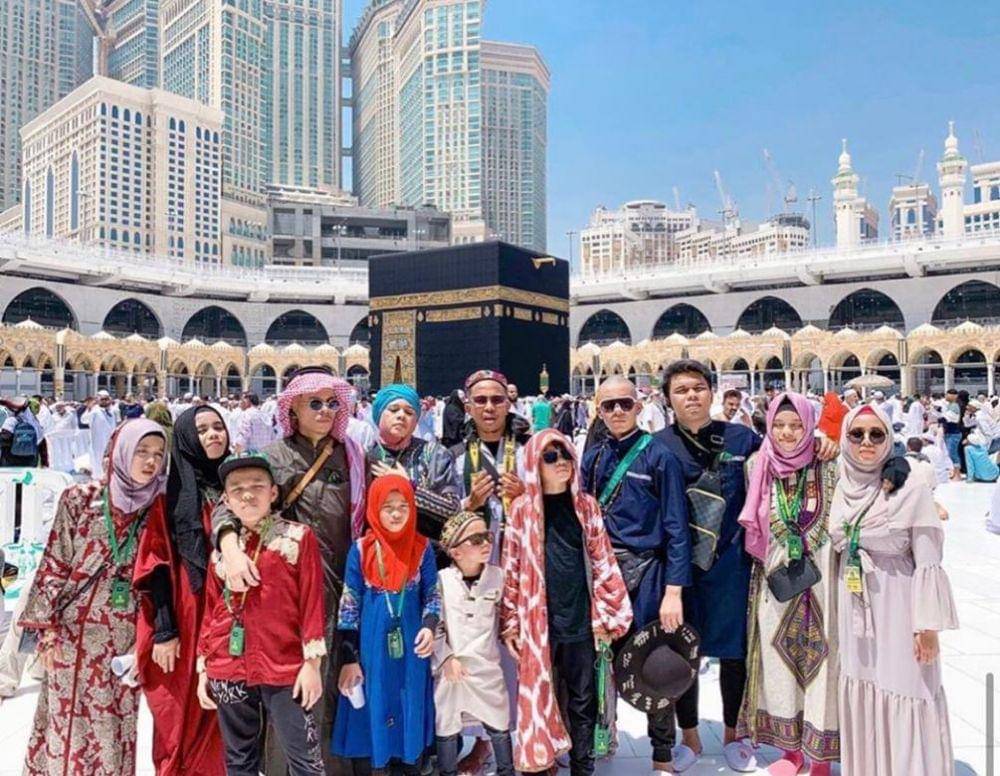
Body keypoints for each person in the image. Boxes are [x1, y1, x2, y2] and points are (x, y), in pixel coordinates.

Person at [214, 366, 365, 776]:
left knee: (336, 685)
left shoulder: (351, 456)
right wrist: (228, 545)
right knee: (293, 693)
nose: (325, 410)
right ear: (292, 408)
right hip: (287, 596)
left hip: (343, 588)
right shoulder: (275, 458)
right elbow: (230, 505)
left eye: (332, 403)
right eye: (314, 402)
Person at [19, 419, 168, 775]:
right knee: (64, 721)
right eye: (142, 451)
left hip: (122, 637)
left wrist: (146, 640)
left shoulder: (159, 509)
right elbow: (55, 561)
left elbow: (160, 581)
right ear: (121, 452)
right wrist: (46, 631)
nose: (150, 461)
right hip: (71, 634)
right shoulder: (81, 499)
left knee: (111, 725)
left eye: (158, 454)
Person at [830, 405, 959, 775]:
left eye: (877, 434)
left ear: (889, 439)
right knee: (865, 684)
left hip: (899, 603)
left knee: (908, 686)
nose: (866, 442)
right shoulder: (841, 482)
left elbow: (929, 560)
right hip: (855, 605)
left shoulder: (911, 485)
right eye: (857, 434)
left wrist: (927, 626)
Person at [500, 428, 633, 776]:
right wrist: (510, 623)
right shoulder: (521, 510)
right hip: (538, 623)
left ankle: (582, 767)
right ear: (535, 464)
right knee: (538, 693)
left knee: (582, 700)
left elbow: (603, 561)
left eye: (565, 455)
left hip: (579, 621)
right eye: (550, 456)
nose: (560, 462)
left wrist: (607, 616)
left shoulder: (586, 506)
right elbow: (512, 568)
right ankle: (540, 764)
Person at [655, 360, 763, 771]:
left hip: (732, 564)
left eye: (698, 387)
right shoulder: (657, 446)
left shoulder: (741, 438)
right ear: (668, 399)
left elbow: (788, 462)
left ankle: (735, 733)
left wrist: (826, 444)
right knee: (683, 652)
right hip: (681, 569)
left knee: (734, 652)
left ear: (712, 393)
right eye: (681, 390)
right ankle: (691, 737)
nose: (692, 396)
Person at [580, 375, 690, 773]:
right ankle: (599, 741)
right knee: (597, 662)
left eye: (624, 404)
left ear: (638, 407)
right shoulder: (593, 457)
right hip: (603, 573)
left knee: (652, 663)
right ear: (598, 410)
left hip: (648, 573)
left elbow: (677, 527)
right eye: (608, 406)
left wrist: (673, 592)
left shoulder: (659, 456)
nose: (617, 412)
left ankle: (662, 755)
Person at [196, 453, 327, 776]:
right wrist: (203, 669)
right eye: (237, 489)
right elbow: (211, 610)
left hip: (284, 666)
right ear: (226, 499)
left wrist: (312, 665)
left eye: (257, 486)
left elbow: (312, 602)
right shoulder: (223, 550)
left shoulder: (297, 538)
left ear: (273, 493)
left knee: (305, 758)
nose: (248, 495)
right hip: (227, 665)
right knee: (239, 759)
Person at [736, 393, 840, 775]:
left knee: (824, 659)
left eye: (796, 425)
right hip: (776, 578)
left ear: (809, 425)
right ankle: (790, 751)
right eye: (779, 425)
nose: (786, 433)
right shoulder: (756, 464)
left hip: (824, 578)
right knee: (779, 658)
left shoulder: (830, 462)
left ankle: (819, 754)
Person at [134, 406, 230, 775]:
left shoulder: (238, 487)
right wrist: (164, 630)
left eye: (218, 427)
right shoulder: (170, 498)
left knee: (221, 712)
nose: (213, 435)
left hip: (227, 615)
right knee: (180, 714)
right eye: (202, 430)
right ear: (187, 438)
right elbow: (155, 566)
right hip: (186, 617)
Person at [332, 475, 439, 773]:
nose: (396, 513)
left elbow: (432, 594)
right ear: (374, 508)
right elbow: (349, 605)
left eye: (403, 506)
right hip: (372, 649)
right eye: (388, 507)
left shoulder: (422, 548)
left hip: (412, 648)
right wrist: (349, 657)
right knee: (375, 701)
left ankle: (410, 765)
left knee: (409, 700)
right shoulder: (362, 549)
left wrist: (429, 626)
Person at [433, 511, 514, 776]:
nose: (486, 544)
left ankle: (506, 770)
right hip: (452, 669)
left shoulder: (499, 577)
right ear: (455, 551)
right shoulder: (441, 581)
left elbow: (509, 616)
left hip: (487, 667)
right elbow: (435, 624)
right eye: (476, 540)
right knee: (446, 724)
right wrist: (446, 658)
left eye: (487, 537)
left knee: (499, 723)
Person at [367, 383, 460, 541]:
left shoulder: (434, 454)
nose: (401, 416)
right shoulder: (365, 457)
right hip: (378, 549)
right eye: (394, 410)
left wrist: (410, 488)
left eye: (409, 412)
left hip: (428, 550)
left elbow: (453, 510)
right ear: (379, 414)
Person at [451, 370, 527, 556]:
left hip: (522, 554)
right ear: (468, 408)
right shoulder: (454, 456)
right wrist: (469, 503)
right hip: (475, 560)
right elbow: (444, 517)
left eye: (497, 400)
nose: (489, 407)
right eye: (480, 400)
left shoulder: (529, 450)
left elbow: (554, 504)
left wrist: (524, 495)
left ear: (507, 405)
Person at [0, 396, 44, 467]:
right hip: (30, 461)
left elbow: (3, 439)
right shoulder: (34, 423)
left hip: (10, 461)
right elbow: (40, 441)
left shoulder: (11, 421)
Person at [82, 389, 120, 470]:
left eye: (106, 399)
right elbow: (84, 420)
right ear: (98, 400)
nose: (105, 401)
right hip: (98, 442)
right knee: (98, 461)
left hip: (110, 441)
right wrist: (89, 408)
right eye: (102, 399)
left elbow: (117, 423)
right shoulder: (94, 411)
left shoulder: (113, 410)